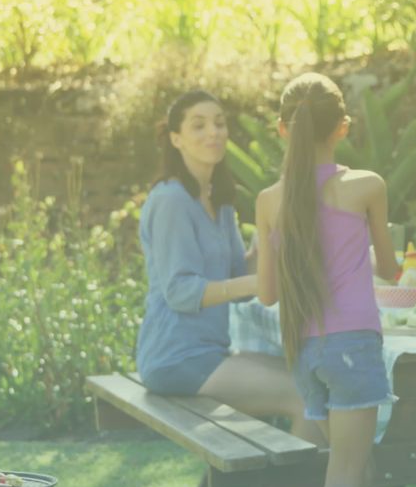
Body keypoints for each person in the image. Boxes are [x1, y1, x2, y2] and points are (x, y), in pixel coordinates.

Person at [135, 90, 322, 446]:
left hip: (210, 352)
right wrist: (258, 281)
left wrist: (271, 244)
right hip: (176, 358)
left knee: (314, 380)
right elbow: (180, 291)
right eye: (199, 125)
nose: (214, 133)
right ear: (176, 139)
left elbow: (236, 277)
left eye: (220, 123)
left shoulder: (218, 200)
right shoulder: (171, 200)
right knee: (303, 395)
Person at [256, 72, 400, 487]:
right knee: (342, 483)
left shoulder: (267, 201)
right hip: (354, 347)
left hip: (304, 353)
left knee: (359, 475)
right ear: (343, 127)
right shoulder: (366, 186)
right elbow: (393, 272)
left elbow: (266, 293)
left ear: (283, 129)